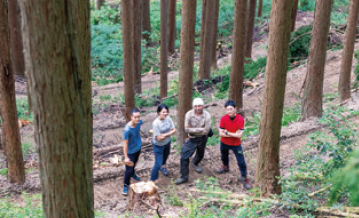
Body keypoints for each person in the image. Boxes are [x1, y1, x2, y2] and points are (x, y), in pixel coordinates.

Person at [175, 98, 212, 185]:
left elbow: (206, 131)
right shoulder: (189, 114)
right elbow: (187, 129)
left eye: (199, 106)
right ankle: (184, 177)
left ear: (203, 106)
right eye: (195, 106)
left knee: (200, 153)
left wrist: (193, 129)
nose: (197, 108)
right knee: (184, 156)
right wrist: (200, 129)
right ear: (193, 106)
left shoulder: (207, 115)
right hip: (192, 138)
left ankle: (195, 162)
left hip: (203, 138)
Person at [218, 100, 252, 190]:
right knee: (224, 156)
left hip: (236, 144)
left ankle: (244, 177)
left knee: (241, 161)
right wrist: (234, 134)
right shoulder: (223, 118)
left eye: (231, 109)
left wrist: (227, 132)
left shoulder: (240, 119)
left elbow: (239, 135)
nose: (229, 111)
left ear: (235, 108)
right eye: (227, 109)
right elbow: (220, 133)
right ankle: (225, 166)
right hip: (224, 142)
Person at [150, 104, 177, 182]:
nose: (165, 114)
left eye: (166, 112)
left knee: (165, 157)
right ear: (158, 112)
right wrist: (169, 133)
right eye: (163, 112)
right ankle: (152, 180)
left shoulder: (168, 118)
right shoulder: (156, 123)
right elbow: (159, 138)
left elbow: (174, 130)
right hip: (158, 145)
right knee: (157, 164)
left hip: (167, 143)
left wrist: (165, 134)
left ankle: (163, 167)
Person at [122, 108, 143, 195]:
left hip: (138, 148)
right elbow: (125, 144)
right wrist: (126, 157)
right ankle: (126, 185)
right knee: (128, 170)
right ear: (131, 117)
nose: (137, 119)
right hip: (130, 152)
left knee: (135, 163)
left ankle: (133, 174)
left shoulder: (139, 122)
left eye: (138, 117)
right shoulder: (127, 130)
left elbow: (140, 123)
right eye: (135, 117)